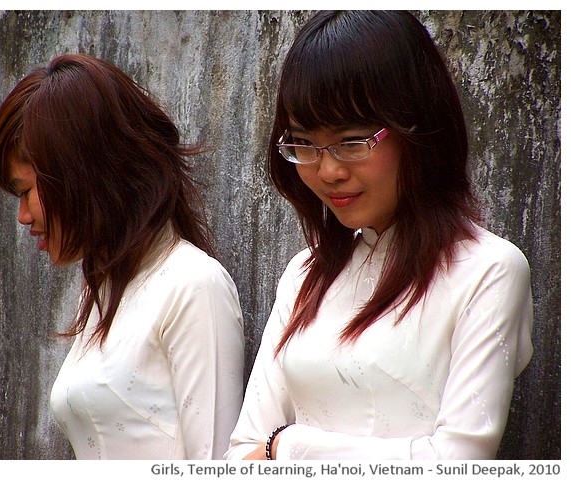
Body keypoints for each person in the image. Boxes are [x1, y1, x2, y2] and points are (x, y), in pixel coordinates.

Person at [225, 11, 533, 460]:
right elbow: (239, 454)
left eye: (352, 141)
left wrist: (287, 445)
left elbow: (457, 461)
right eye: (304, 143)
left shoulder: (488, 270)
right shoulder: (304, 274)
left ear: (420, 129)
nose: (328, 170)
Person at [0, 53, 244, 460]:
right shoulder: (101, 292)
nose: (22, 217)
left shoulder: (194, 285)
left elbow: (215, 462)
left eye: (25, 191)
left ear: (78, 172)